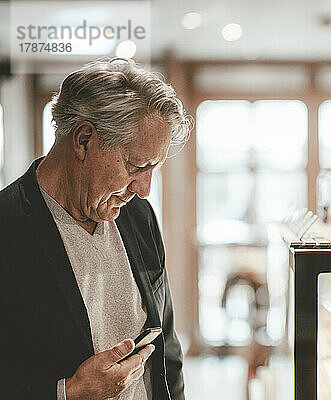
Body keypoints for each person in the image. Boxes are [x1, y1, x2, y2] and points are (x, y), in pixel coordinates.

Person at [0, 57, 192, 399]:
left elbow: (167, 349)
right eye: (136, 166)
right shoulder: (7, 227)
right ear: (84, 139)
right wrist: (68, 392)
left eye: (154, 170)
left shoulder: (140, 216)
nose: (144, 189)